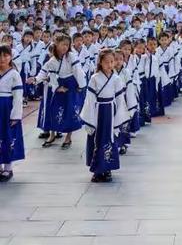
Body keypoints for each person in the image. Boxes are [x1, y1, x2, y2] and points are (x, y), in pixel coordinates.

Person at [29, 34, 86, 148]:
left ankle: (68, 138)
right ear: (56, 45)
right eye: (62, 44)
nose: (65, 47)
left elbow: (78, 71)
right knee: (55, 110)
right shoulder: (52, 60)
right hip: (60, 86)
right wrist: (36, 79)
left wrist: (81, 86)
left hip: (72, 84)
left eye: (67, 44)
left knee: (71, 111)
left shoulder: (71, 56)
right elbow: (46, 73)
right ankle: (52, 134)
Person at [80, 49, 130, 182]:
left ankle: (107, 169)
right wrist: (89, 118)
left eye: (112, 62)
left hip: (110, 112)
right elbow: (89, 99)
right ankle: (97, 170)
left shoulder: (117, 79)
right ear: (100, 63)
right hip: (97, 111)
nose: (109, 65)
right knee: (96, 139)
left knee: (109, 139)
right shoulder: (94, 78)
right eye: (106, 62)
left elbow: (120, 99)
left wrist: (120, 116)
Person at [0, 45, 25, 182]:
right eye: (0, 56)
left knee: (8, 137)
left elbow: (18, 96)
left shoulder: (14, 74)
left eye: (5, 55)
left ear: (11, 57)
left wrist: (16, 115)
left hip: (7, 108)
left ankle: (8, 168)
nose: (2, 59)